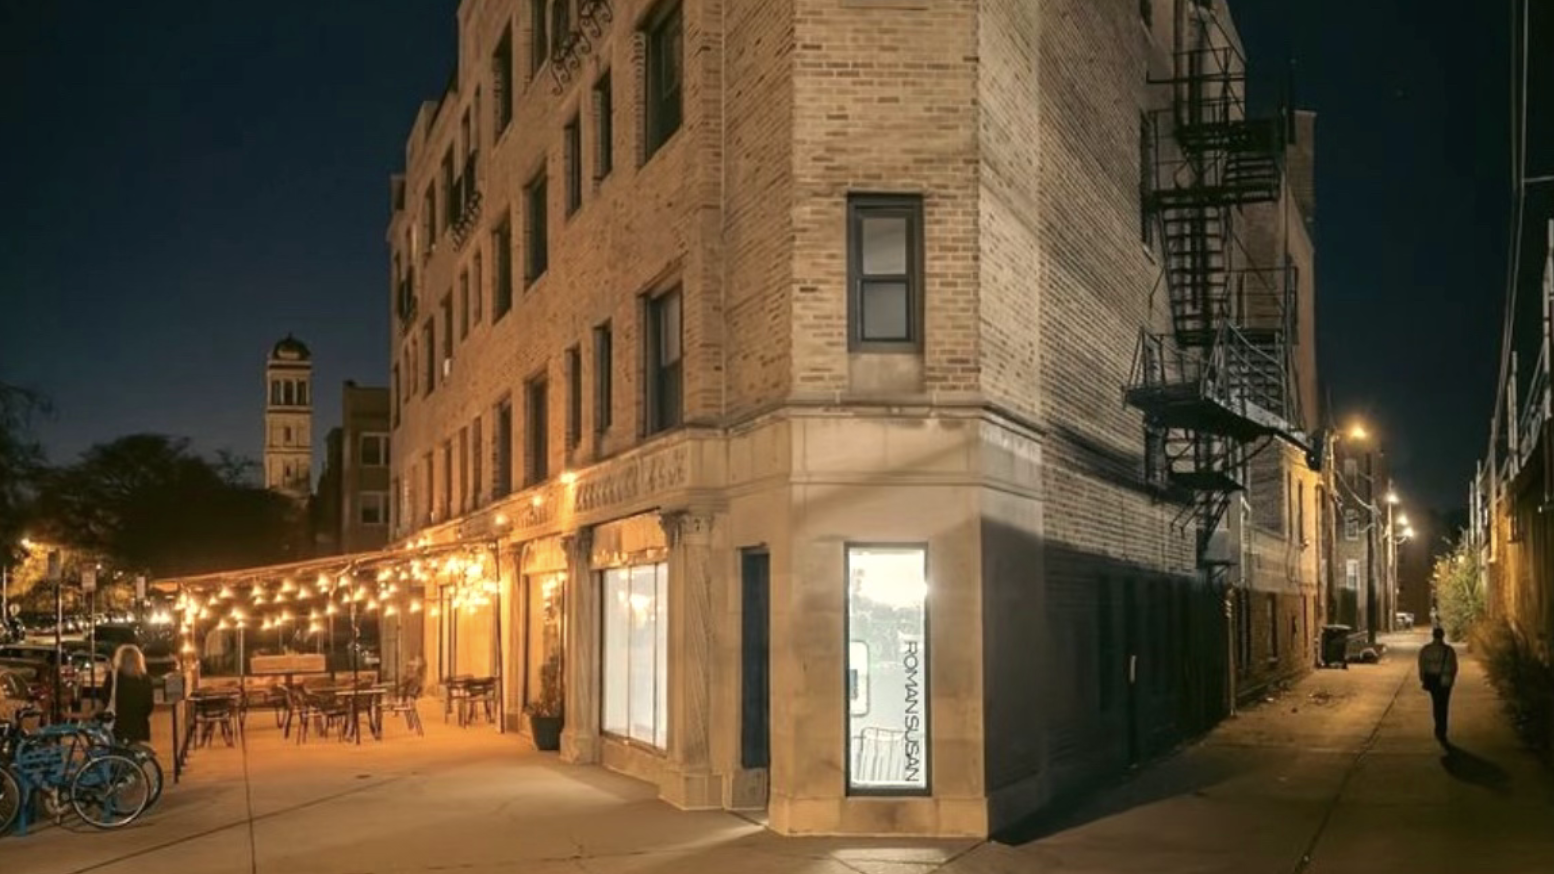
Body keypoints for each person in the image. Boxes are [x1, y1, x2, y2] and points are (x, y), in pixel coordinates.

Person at [103, 644, 155, 745]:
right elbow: (149, 705)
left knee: (117, 755)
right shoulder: (145, 679)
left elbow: (105, 698)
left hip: (117, 725)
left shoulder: (114, 677)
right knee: (135, 756)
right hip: (139, 727)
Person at [1417, 626, 1459, 747]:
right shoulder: (1449, 650)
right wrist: (1452, 679)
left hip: (1432, 679)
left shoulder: (1426, 650)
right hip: (1445, 680)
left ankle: (1438, 726)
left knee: (1436, 703)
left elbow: (1422, 665)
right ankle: (1442, 729)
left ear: (1433, 635)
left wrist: (1423, 678)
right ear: (1443, 636)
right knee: (1444, 704)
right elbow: (1454, 666)